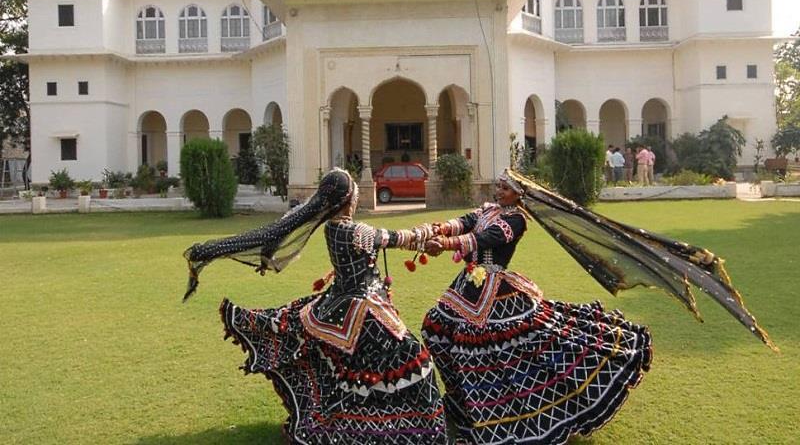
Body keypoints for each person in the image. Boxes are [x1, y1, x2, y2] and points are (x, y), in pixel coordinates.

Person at [183, 168, 448, 444]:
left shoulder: (334, 227)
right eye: (355, 192)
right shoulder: (356, 231)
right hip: (365, 310)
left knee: (362, 368)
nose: (357, 197)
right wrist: (430, 231)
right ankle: (406, 430)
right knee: (416, 360)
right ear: (348, 200)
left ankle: (375, 420)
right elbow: (397, 238)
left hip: (343, 304)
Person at [421, 171, 652, 445]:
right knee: (434, 327)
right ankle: (460, 402)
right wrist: (437, 230)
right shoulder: (488, 209)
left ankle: (500, 412)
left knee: (484, 349)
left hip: (494, 287)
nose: (499, 191)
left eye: (505, 188)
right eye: (499, 186)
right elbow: (463, 223)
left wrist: (447, 244)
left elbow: (484, 239)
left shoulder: (516, 220)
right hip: (467, 285)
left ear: (519, 194)